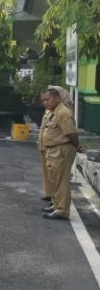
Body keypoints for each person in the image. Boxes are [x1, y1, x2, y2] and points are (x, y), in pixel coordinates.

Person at [40, 87, 83, 220]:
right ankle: (57, 204)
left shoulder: (63, 112)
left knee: (61, 181)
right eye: (43, 101)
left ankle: (62, 210)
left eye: (48, 99)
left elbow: (71, 133)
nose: (45, 102)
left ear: (57, 98)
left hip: (62, 150)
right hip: (54, 150)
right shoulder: (54, 111)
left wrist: (77, 145)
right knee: (54, 179)